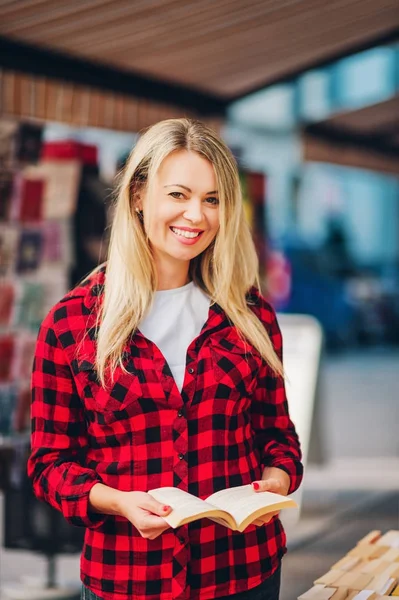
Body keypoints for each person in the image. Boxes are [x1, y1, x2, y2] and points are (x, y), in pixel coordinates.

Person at [28, 118, 303, 600]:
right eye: (178, 194)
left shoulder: (250, 314)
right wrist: (115, 501)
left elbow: (278, 436)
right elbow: (49, 463)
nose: (195, 215)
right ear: (138, 195)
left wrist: (276, 480)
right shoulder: (71, 324)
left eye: (212, 199)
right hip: (127, 577)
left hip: (242, 574)